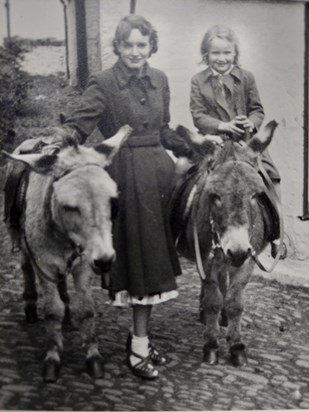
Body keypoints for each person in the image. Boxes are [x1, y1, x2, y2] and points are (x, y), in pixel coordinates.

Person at [55, 15, 193, 379]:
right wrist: (61, 138)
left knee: (154, 265)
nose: (135, 51)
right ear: (117, 47)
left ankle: (141, 340)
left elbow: (163, 131)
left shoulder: (161, 79)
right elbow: (79, 124)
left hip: (158, 179)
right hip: (126, 179)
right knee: (141, 267)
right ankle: (138, 349)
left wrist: (193, 144)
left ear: (151, 47)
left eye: (142, 45)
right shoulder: (103, 82)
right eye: (128, 44)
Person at [189, 24, 287, 259]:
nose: (221, 58)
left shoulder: (246, 78)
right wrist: (222, 126)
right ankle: (186, 235)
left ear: (235, 54)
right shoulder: (198, 80)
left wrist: (250, 124)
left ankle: (277, 236)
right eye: (215, 53)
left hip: (245, 145)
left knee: (271, 178)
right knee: (189, 180)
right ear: (206, 54)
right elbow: (198, 114)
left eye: (226, 53)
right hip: (216, 144)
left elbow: (257, 109)